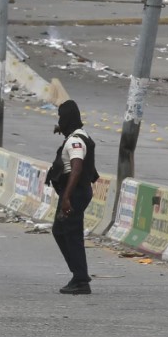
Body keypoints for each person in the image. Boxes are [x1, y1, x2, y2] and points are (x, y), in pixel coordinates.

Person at [45, 100, 98, 295]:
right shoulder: (77, 136)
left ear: (67, 119)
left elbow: (76, 167)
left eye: (61, 118)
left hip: (75, 193)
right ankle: (79, 273)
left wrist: (66, 197)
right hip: (75, 192)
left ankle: (81, 280)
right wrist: (62, 129)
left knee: (72, 235)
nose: (59, 121)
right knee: (60, 231)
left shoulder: (76, 141)